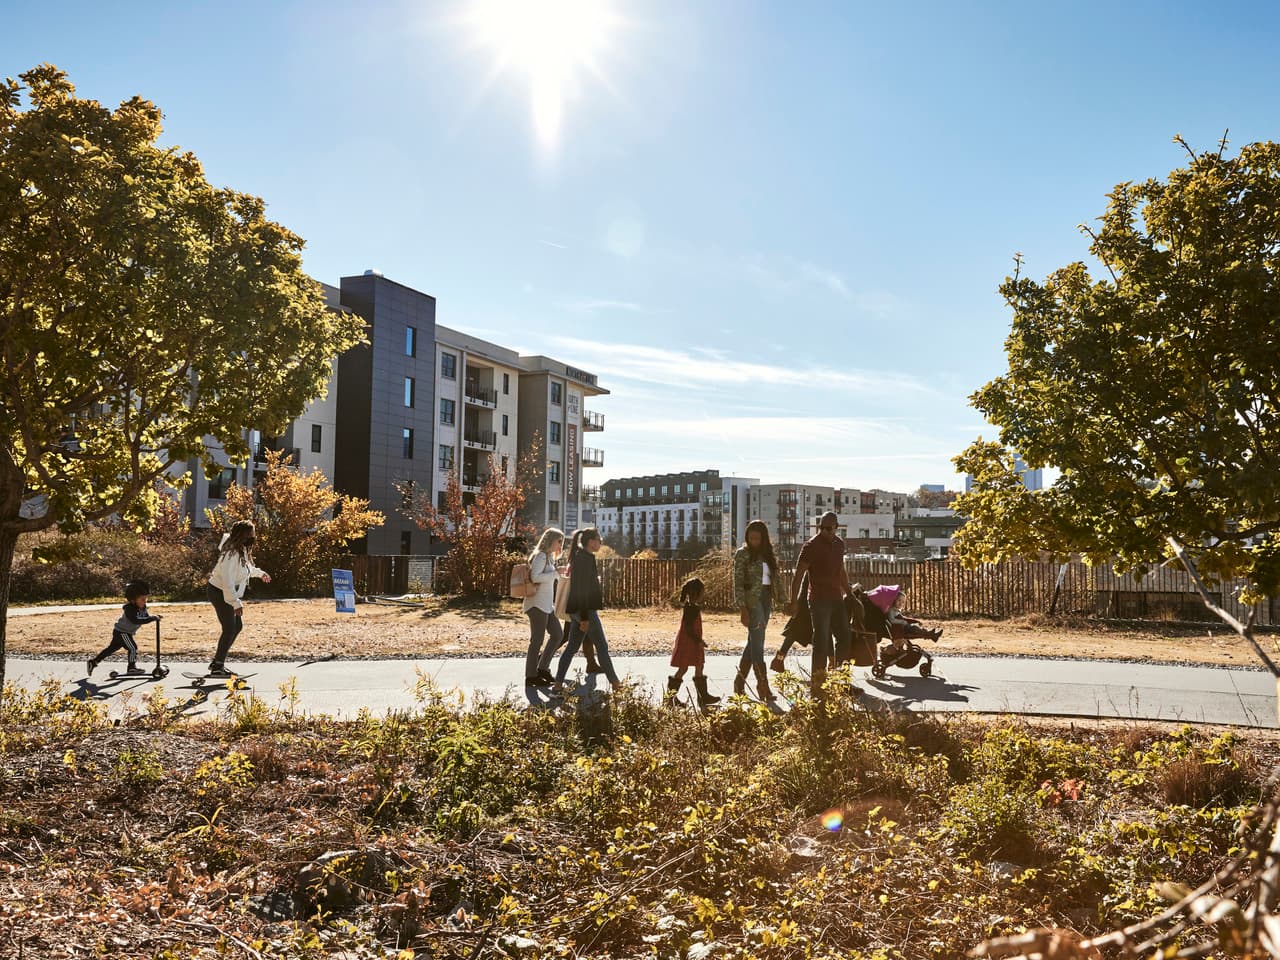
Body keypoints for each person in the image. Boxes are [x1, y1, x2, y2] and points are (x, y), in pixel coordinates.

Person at [787, 511, 857, 696]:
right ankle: (818, 685)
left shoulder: (839, 545)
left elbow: (841, 571)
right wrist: (793, 601)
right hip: (818, 600)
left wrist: (850, 594)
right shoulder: (811, 546)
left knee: (845, 636)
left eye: (829, 528)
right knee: (821, 641)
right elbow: (798, 575)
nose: (825, 532)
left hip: (836, 598)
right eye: (822, 528)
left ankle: (839, 681)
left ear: (836, 528)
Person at [553, 527, 621, 689]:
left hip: (577, 610)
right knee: (602, 647)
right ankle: (616, 685)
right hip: (586, 611)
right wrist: (584, 618)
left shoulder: (580, 557)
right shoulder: (585, 559)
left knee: (571, 648)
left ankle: (557, 684)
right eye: (599, 540)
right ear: (591, 542)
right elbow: (581, 589)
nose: (600, 543)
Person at [207, 520, 271, 677]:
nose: (253, 537)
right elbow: (227, 581)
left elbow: (246, 569)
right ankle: (218, 666)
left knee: (237, 627)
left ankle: (217, 662)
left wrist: (261, 573)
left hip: (225, 592)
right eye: (250, 534)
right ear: (241, 535)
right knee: (230, 628)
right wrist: (236, 603)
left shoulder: (241, 550)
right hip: (218, 591)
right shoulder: (231, 554)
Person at [732, 519, 780, 702]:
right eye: (751, 538)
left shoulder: (767, 555)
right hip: (752, 602)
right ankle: (763, 687)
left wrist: (784, 601)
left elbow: (775, 580)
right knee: (758, 643)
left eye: (757, 539)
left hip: (766, 599)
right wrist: (742, 608)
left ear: (763, 539)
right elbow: (737, 582)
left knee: (753, 642)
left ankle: (739, 682)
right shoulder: (742, 554)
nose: (754, 542)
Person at [87, 580, 160, 676]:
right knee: (133, 648)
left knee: (111, 649)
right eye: (142, 599)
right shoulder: (129, 609)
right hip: (122, 632)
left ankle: (93, 662)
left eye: (146, 599)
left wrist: (154, 617)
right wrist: (152, 619)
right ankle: (131, 668)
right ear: (133, 600)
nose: (144, 601)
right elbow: (136, 620)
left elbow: (145, 617)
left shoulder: (142, 607)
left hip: (123, 632)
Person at [667, 577, 720, 710]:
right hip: (690, 642)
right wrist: (699, 641)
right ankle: (670, 698)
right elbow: (689, 628)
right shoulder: (692, 609)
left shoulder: (691, 607)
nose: (704, 594)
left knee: (699, 666)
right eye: (702, 592)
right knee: (684, 668)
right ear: (697, 593)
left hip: (690, 641)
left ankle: (703, 697)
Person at [523, 527, 565, 687]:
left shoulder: (549, 558)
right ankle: (530, 676)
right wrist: (555, 573)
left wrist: (559, 573)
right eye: (559, 541)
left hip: (547, 605)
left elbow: (549, 578)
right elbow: (535, 577)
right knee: (537, 640)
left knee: (557, 634)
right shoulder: (540, 556)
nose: (560, 544)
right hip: (536, 604)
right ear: (550, 540)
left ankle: (542, 668)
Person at [865, 584, 943, 645]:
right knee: (915, 631)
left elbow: (903, 618)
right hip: (900, 630)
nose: (900, 603)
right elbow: (892, 620)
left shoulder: (896, 610)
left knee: (916, 629)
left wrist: (913, 620)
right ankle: (931, 635)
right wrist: (903, 622)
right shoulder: (891, 611)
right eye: (898, 600)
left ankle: (931, 634)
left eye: (902, 602)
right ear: (894, 601)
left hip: (904, 627)